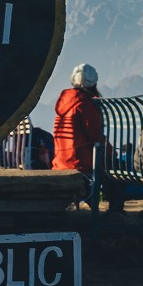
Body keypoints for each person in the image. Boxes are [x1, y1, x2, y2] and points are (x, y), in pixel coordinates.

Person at [53, 64, 117, 208]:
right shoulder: (85, 104)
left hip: (61, 162)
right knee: (118, 174)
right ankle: (115, 211)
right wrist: (113, 153)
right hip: (80, 163)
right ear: (94, 83)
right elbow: (97, 138)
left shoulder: (64, 102)